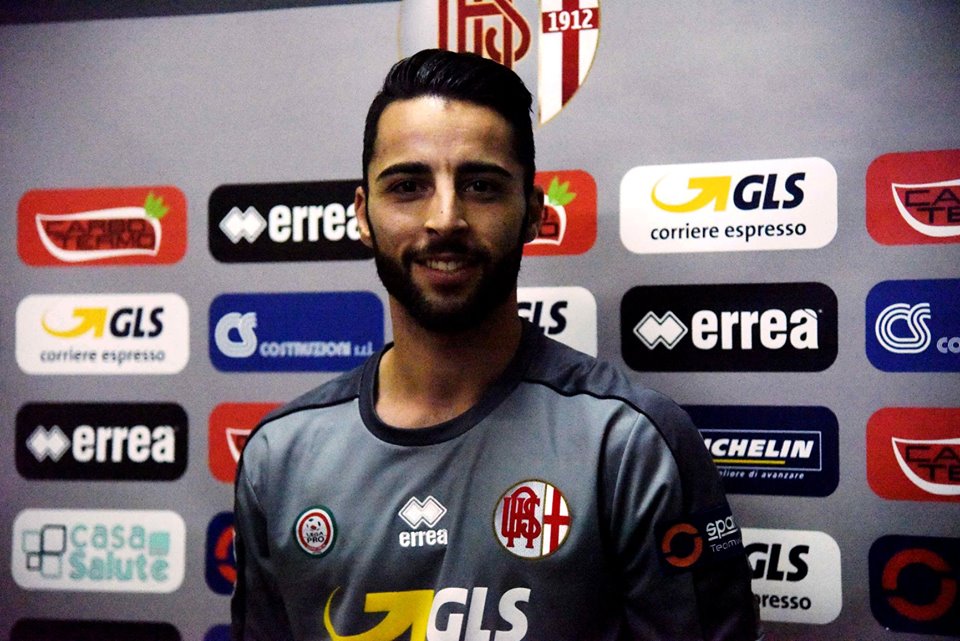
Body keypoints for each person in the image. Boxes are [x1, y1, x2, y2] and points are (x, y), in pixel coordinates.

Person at [232, 48, 761, 641]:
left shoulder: (628, 443)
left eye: (481, 185)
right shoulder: (280, 456)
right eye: (408, 186)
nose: (445, 218)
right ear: (363, 214)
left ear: (532, 213)